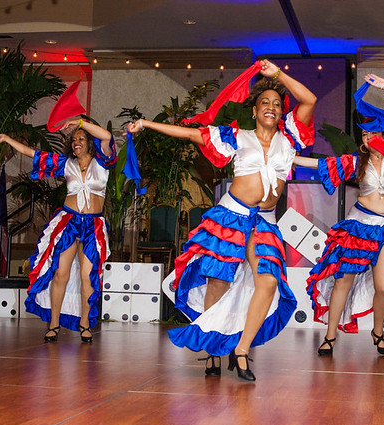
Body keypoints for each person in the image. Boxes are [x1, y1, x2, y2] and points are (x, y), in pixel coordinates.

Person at [126, 60, 316, 381]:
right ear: (254, 111)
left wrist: (278, 76)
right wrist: (146, 124)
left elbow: (309, 100)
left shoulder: (290, 140)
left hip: (265, 223)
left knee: (268, 282)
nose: (270, 107)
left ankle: (241, 350)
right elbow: (190, 134)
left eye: (276, 103)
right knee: (219, 281)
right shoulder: (236, 138)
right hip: (231, 216)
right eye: (264, 102)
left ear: (282, 112)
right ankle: (214, 349)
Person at [295, 74, 384, 356]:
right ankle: (330, 335)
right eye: (364, 134)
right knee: (343, 280)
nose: (368, 138)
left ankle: (378, 331)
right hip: (359, 226)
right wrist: (285, 157)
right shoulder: (354, 161)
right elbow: (319, 163)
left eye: (373, 133)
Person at [0, 117, 116, 342]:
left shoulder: (103, 162)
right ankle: (54, 323)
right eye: (73, 140)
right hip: (68, 222)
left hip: (93, 225)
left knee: (88, 277)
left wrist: (79, 123)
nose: (75, 143)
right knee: (60, 274)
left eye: (80, 139)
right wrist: (8, 139)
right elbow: (32, 154)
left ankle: (85, 323)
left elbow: (106, 136)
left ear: (90, 141)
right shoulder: (65, 163)